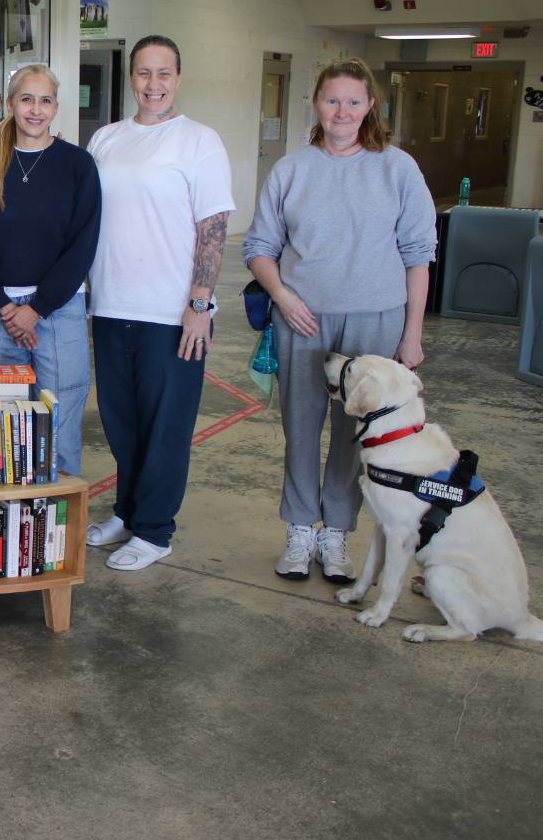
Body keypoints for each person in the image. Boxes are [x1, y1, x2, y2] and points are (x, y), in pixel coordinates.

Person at [243, 57, 435, 583]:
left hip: (376, 318)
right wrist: (282, 295)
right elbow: (260, 247)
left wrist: (412, 333)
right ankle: (301, 528)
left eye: (354, 101)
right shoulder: (291, 169)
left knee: (357, 432)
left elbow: (419, 253)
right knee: (301, 427)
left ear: (371, 106)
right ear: (317, 105)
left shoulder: (398, 169)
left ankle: (337, 533)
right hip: (303, 318)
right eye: (333, 100)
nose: (342, 111)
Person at [85, 35, 235, 572]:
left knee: (166, 424)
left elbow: (213, 226)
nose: (153, 84)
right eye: (144, 73)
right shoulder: (106, 139)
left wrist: (200, 302)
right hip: (111, 303)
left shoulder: (198, 141)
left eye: (164, 73)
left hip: (171, 311)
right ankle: (128, 511)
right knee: (121, 420)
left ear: (178, 78)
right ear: (131, 78)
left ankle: (155, 530)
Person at [0, 64, 101, 479]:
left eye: (45, 100)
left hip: (59, 311)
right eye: (26, 99)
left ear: (56, 106)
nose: (35, 110)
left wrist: (35, 308)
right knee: (0, 421)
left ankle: (57, 514)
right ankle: (4, 518)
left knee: (61, 411)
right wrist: (5, 307)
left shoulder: (78, 166)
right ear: (10, 104)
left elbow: (82, 246)